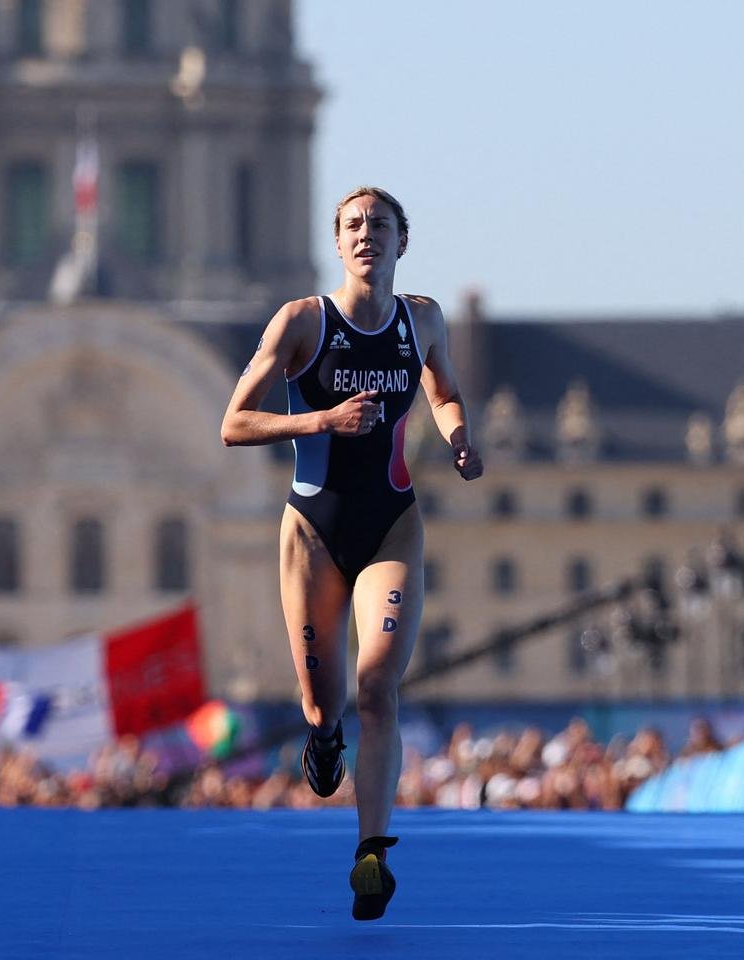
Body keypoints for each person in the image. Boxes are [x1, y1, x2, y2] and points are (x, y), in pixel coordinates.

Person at [221, 186, 483, 920]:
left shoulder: (421, 319)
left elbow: (446, 392)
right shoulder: (304, 322)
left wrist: (459, 436)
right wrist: (323, 418)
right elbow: (234, 423)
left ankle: (372, 851)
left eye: (381, 225)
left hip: (391, 524)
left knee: (378, 685)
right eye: (353, 225)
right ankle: (321, 734)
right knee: (323, 697)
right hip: (312, 529)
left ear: (404, 241)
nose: (367, 235)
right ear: (337, 244)